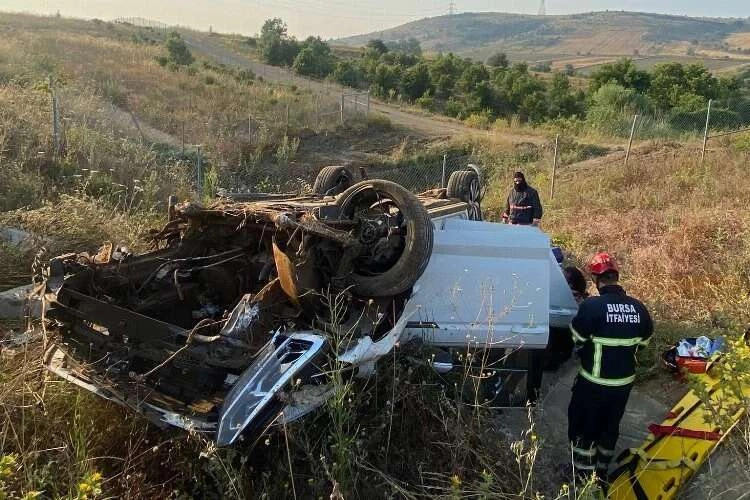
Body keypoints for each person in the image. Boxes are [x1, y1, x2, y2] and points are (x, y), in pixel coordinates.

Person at [567, 252, 653, 484]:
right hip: (623, 385)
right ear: (617, 276)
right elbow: (642, 344)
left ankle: (583, 480)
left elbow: (576, 339)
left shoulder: (591, 307)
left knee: (584, 429)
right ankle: (601, 473)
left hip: (593, 384)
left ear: (596, 279)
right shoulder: (639, 309)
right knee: (609, 427)